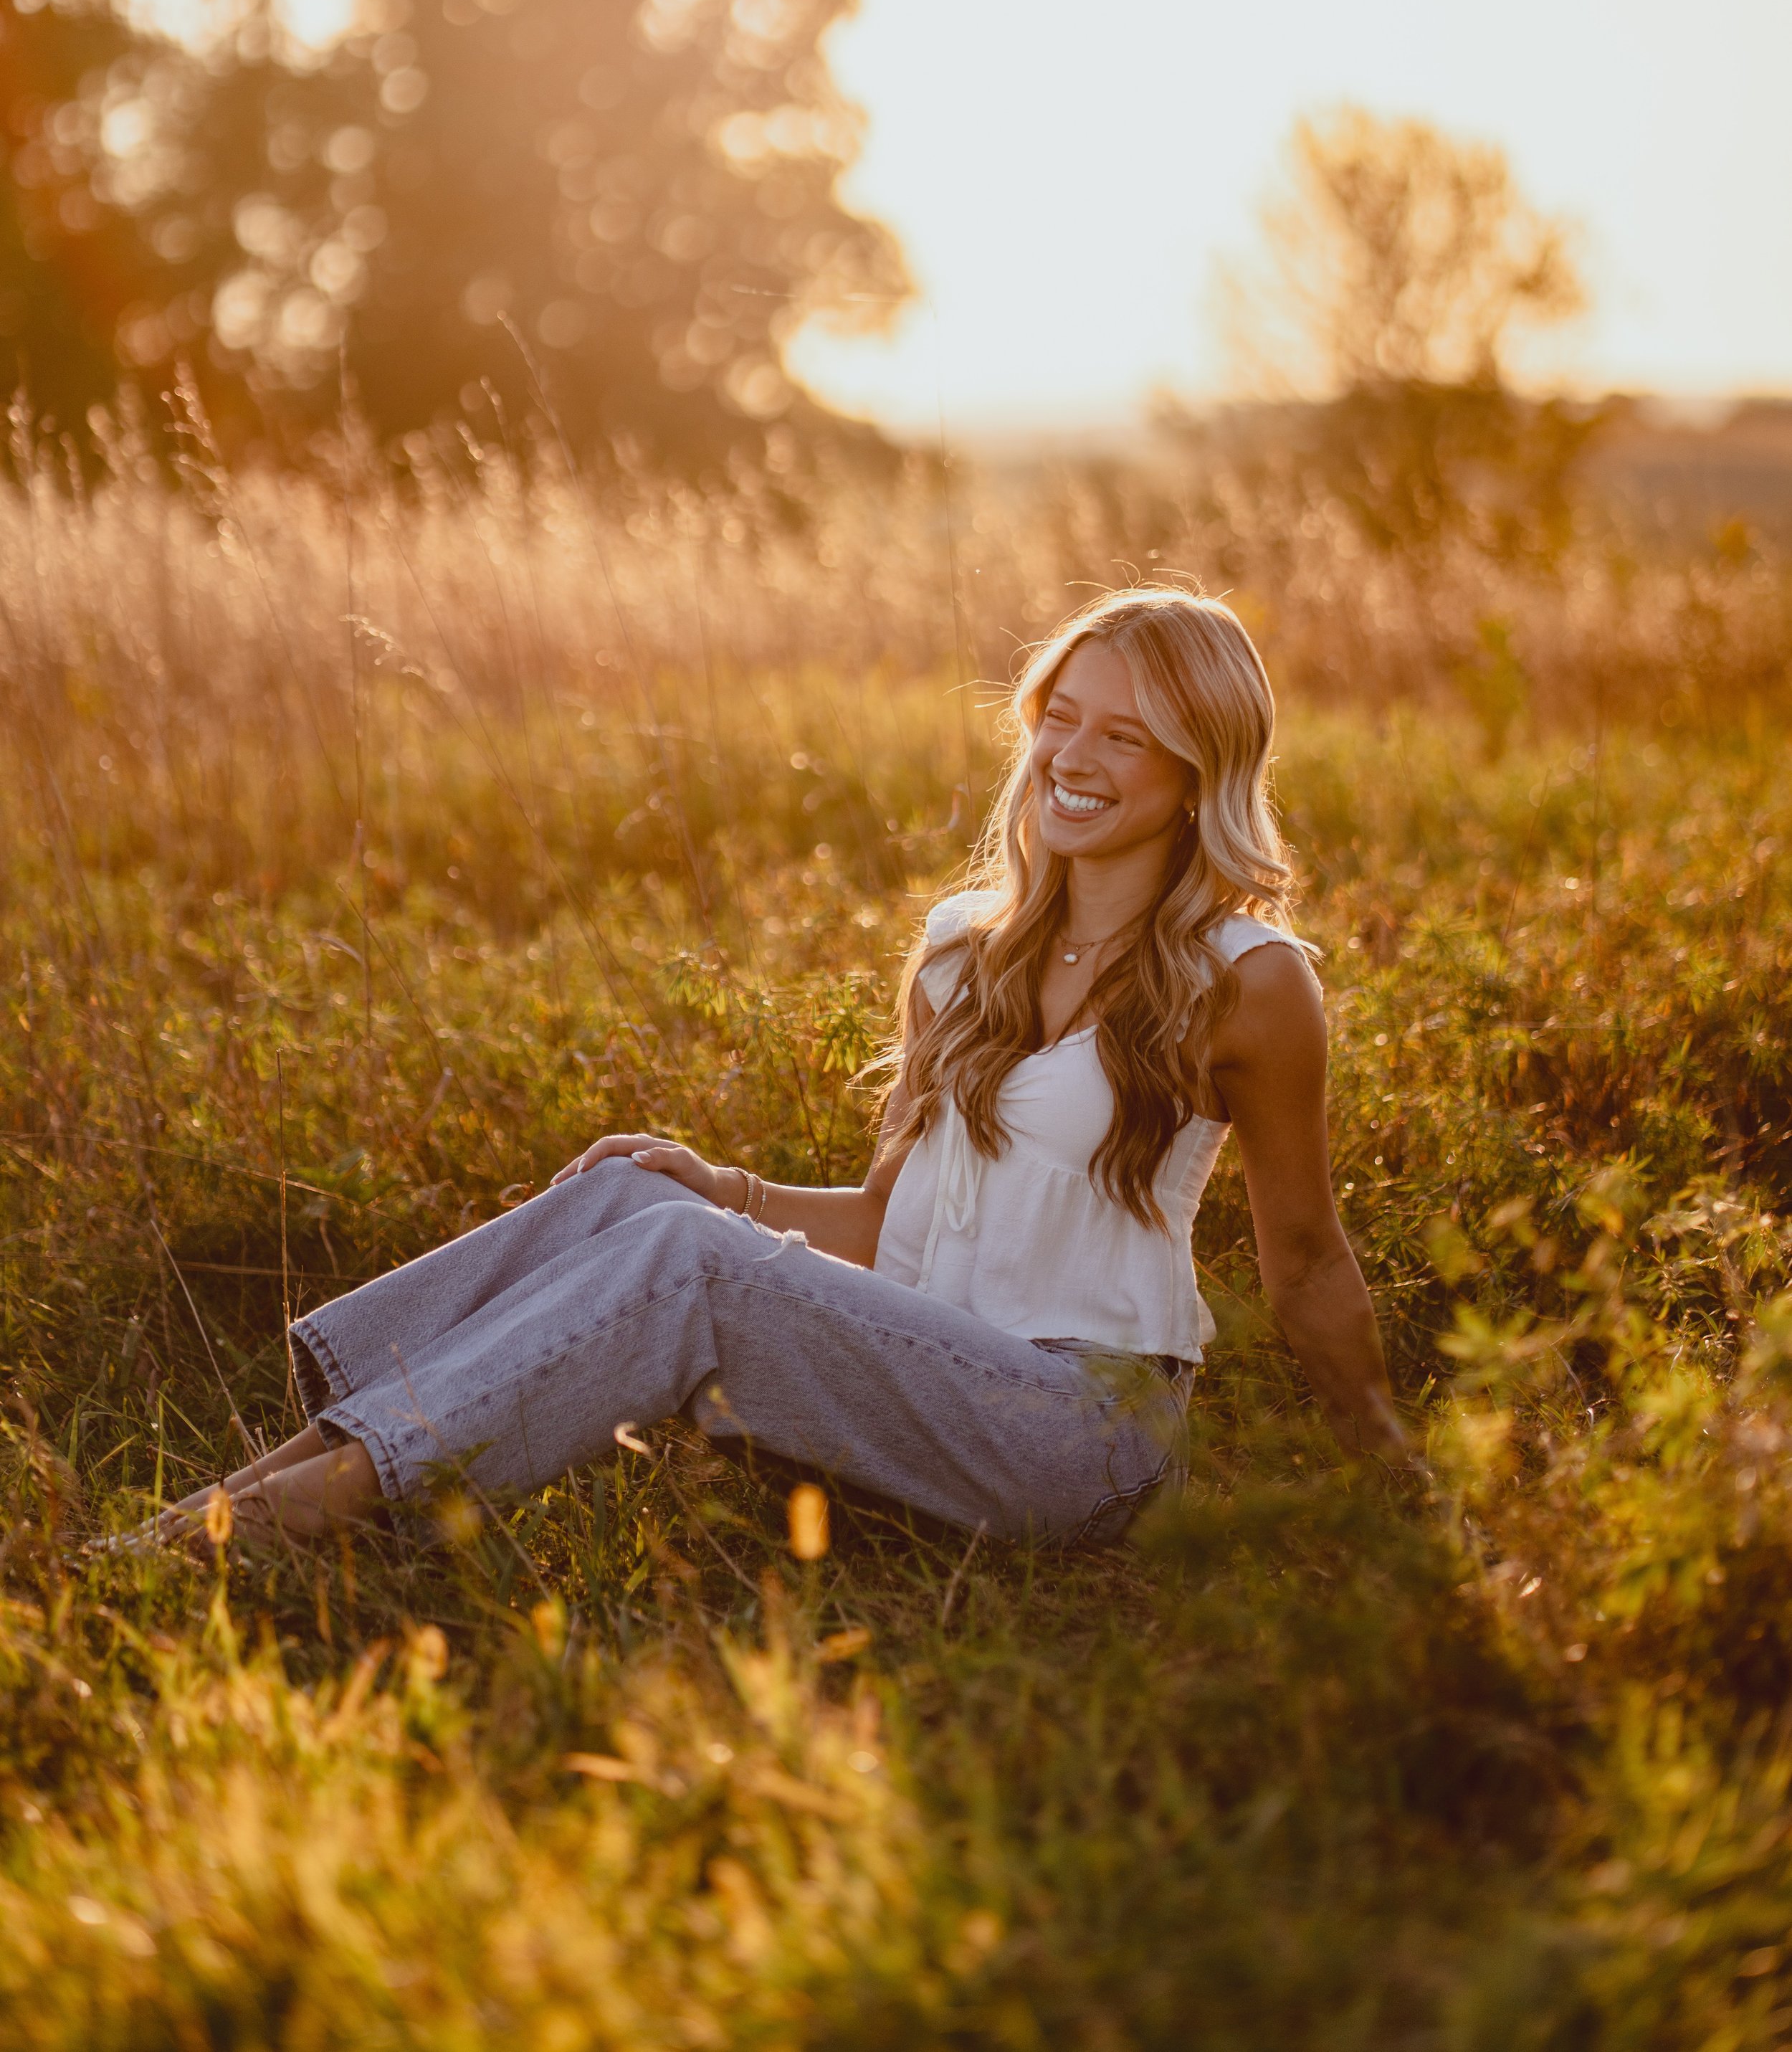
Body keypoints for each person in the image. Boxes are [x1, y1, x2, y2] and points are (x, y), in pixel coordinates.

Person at [145, 585, 1408, 1555]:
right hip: (918, 1378)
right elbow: (883, 1224)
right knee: (639, 1201)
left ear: (1199, 775)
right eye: (1058, 719)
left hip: (1081, 1433)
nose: (1071, 757)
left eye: (1124, 735)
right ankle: (235, 1500)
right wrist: (721, 1182)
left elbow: (1303, 1259)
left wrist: (1389, 1478)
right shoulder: (965, 949)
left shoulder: (1245, 978)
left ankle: (289, 1529)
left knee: (689, 1254)